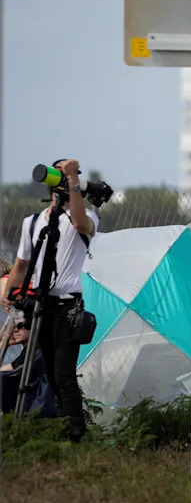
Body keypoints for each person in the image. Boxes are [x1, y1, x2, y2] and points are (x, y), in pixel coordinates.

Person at [2, 158, 98, 439]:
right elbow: (21, 264)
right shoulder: (32, 223)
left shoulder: (88, 216)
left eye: (71, 176)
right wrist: (10, 292)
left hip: (69, 306)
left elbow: (80, 224)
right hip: (40, 307)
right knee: (48, 374)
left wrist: (74, 183)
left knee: (64, 374)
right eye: (63, 176)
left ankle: (75, 435)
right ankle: (53, 427)